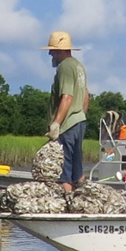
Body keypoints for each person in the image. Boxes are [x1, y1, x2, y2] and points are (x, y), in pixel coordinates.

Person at [43, 31, 89, 193]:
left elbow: (67, 97)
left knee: (64, 170)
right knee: (77, 169)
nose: (50, 54)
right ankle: (82, 198)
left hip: (67, 126)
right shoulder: (79, 66)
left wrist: (56, 124)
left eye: (52, 51)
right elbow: (85, 96)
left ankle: (67, 203)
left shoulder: (65, 67)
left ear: (59, 51)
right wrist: (80, 115)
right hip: (79, 122)